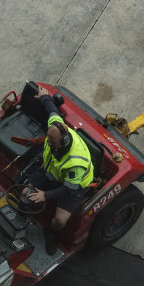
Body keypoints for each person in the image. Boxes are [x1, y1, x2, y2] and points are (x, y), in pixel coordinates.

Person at [26, 86, 94, 255]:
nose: (48, 143)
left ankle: (51, 233)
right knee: (24, 195)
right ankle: (22, 217)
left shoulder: (75, 163)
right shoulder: (56, 129)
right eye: (48, 138)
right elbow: (51, 111)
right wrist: (44, 96)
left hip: (73, 187)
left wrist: (45, 195)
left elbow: (68, 189)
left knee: (60, 221)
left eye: (52, 141)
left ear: (63, 141)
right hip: (51, 173)